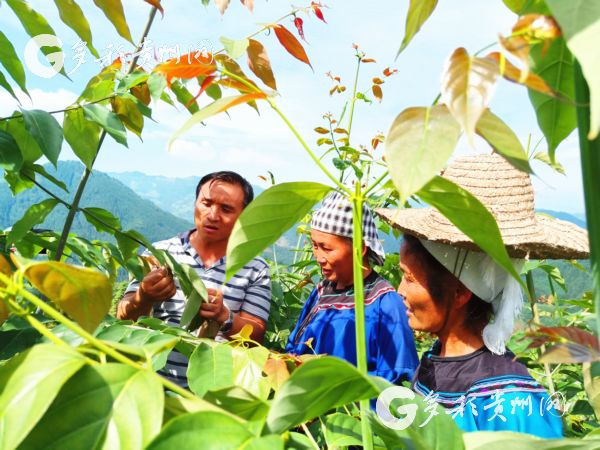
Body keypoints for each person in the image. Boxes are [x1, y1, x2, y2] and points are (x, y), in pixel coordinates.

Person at [378, 154, 589, 437]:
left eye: (410, 278)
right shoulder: (434, 362)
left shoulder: (512, 401)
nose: (400, 291)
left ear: (460, 291)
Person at [117, 171, 271, 386]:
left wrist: (225, 317)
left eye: (226, 209)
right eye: (206, 203)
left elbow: (256, 337)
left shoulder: (255, 268)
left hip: (213, 391)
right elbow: (123, 316)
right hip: (153, 384)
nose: (212, 215)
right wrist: (144, 296)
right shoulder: (161, 253)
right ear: (196, 202)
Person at [286, 191, 419, 384]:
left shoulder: (386, 303)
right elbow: (294, 347)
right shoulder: (321, 292)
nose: (319, 257)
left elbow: (397, 378)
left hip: (352, 412)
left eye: (327, 248)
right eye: (315, 246)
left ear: (360, 248)